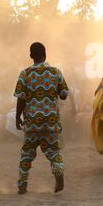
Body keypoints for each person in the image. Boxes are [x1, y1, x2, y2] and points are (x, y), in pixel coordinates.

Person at [14, 42, 69, 194]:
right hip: (50, 122)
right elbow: (64, 94)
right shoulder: (55, 72)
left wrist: (17, 117)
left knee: (27, 154)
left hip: (32, 122)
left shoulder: (25, 74)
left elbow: (21, 98)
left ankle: (22, 184)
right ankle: (58, 170)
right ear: (46, 54)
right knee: (54, 152)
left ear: (31, 56)